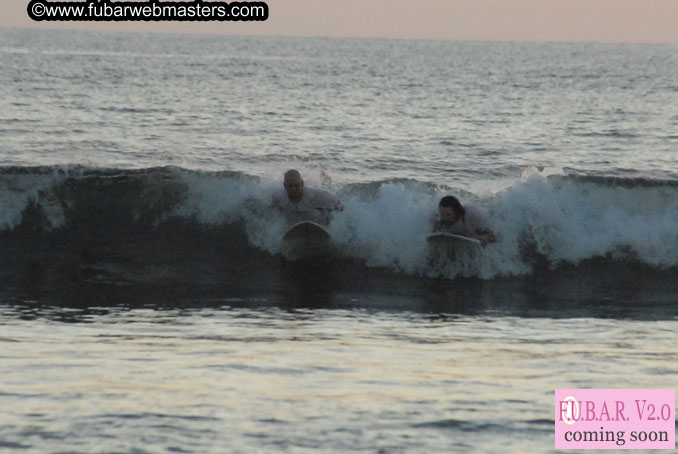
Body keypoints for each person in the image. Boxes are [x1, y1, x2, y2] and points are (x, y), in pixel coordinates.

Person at [272, 169, 343, 226]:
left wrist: (331, 224)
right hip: (294, 228)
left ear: (302, 183)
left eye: (296, 185)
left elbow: (338, 205)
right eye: (290, 186)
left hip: (320, 225)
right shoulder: (279, 198)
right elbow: (272, 213)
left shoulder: (318, 196)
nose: (293, 189)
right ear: (285, 186)